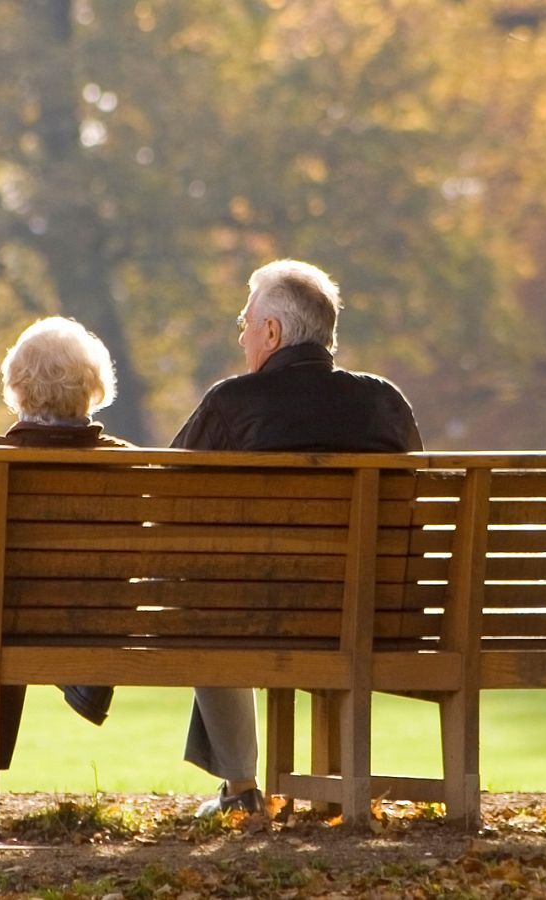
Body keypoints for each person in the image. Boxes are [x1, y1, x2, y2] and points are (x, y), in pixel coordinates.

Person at [171, 259, 423, 816]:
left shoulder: (230, 404)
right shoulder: (385, 402)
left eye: (246, 321)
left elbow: (164, 500)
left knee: (201, 595)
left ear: (272, 332)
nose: (241, 336)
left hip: (256, 617)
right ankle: (270, 786)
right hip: (382, 614)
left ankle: (241, 791)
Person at [0, 316, 132, 788]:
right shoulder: (127, 463)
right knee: (14, 604)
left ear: (18, 388)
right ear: (94, 386)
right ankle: (82, 675)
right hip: (93, 626)